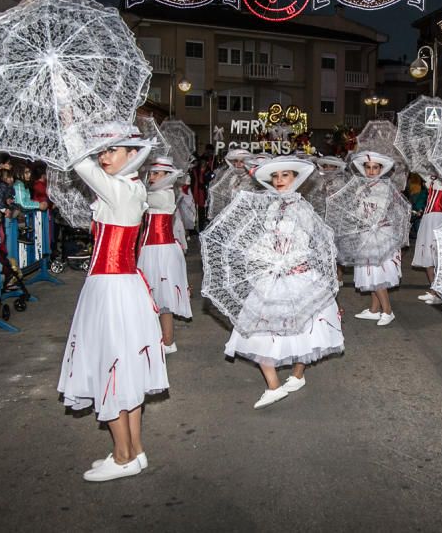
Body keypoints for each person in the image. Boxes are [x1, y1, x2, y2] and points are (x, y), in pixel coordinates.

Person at [57, 129, 168, 482]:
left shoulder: (120, 190)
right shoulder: (129, 187)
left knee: (111, 368)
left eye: (112, 150)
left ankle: (122, 457)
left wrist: (69, 120)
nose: (103, 157)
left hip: (111, 288)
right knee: (126, 370)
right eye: (101, 151)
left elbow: (79, 162)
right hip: (121, 287)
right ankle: (134, 451)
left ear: (132, 154)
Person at [222, 156, 343, 409]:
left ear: (295, 179)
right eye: (275, 177)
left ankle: (297, 376)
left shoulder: (302, 208)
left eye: (285, 175)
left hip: (296, 275)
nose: (278, 181)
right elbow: (267, 240)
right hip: (273, 275)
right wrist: (260, 254)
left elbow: (307, 243)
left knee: (304, 330)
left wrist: (285, 260)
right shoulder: (272, 207)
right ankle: (274, 385)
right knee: (258, 331)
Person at [138, 156, 192, 354]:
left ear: (168, 176)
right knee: (155, 297)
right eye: (151, 173)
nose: (151, 177)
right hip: (151, 249)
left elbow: (140, 199)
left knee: (163, 299)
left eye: (156, 173)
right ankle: (163, 340)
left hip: (161, 252)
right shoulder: (156, 192)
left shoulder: (164, 194)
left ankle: (168, 342)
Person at [350, 151, 402, 326]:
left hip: (380, 234)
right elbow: (357, 212)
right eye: (368, 167)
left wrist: (365, 208)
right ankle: (374, 309)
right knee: (368, 273)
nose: (371, 171)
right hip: (366, 233)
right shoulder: (360, 188)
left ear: (381, 169)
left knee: (378, 273)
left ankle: (387, 310)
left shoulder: (384, 187)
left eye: (375, 168)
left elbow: (379, 212)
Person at [413, 174, 442, 306]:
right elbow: (421, 172)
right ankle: (434, 289)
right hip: (428, 218)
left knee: (438, 255)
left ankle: (438, 291)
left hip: (439, 218)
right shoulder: (432, 178)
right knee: (427, 256)